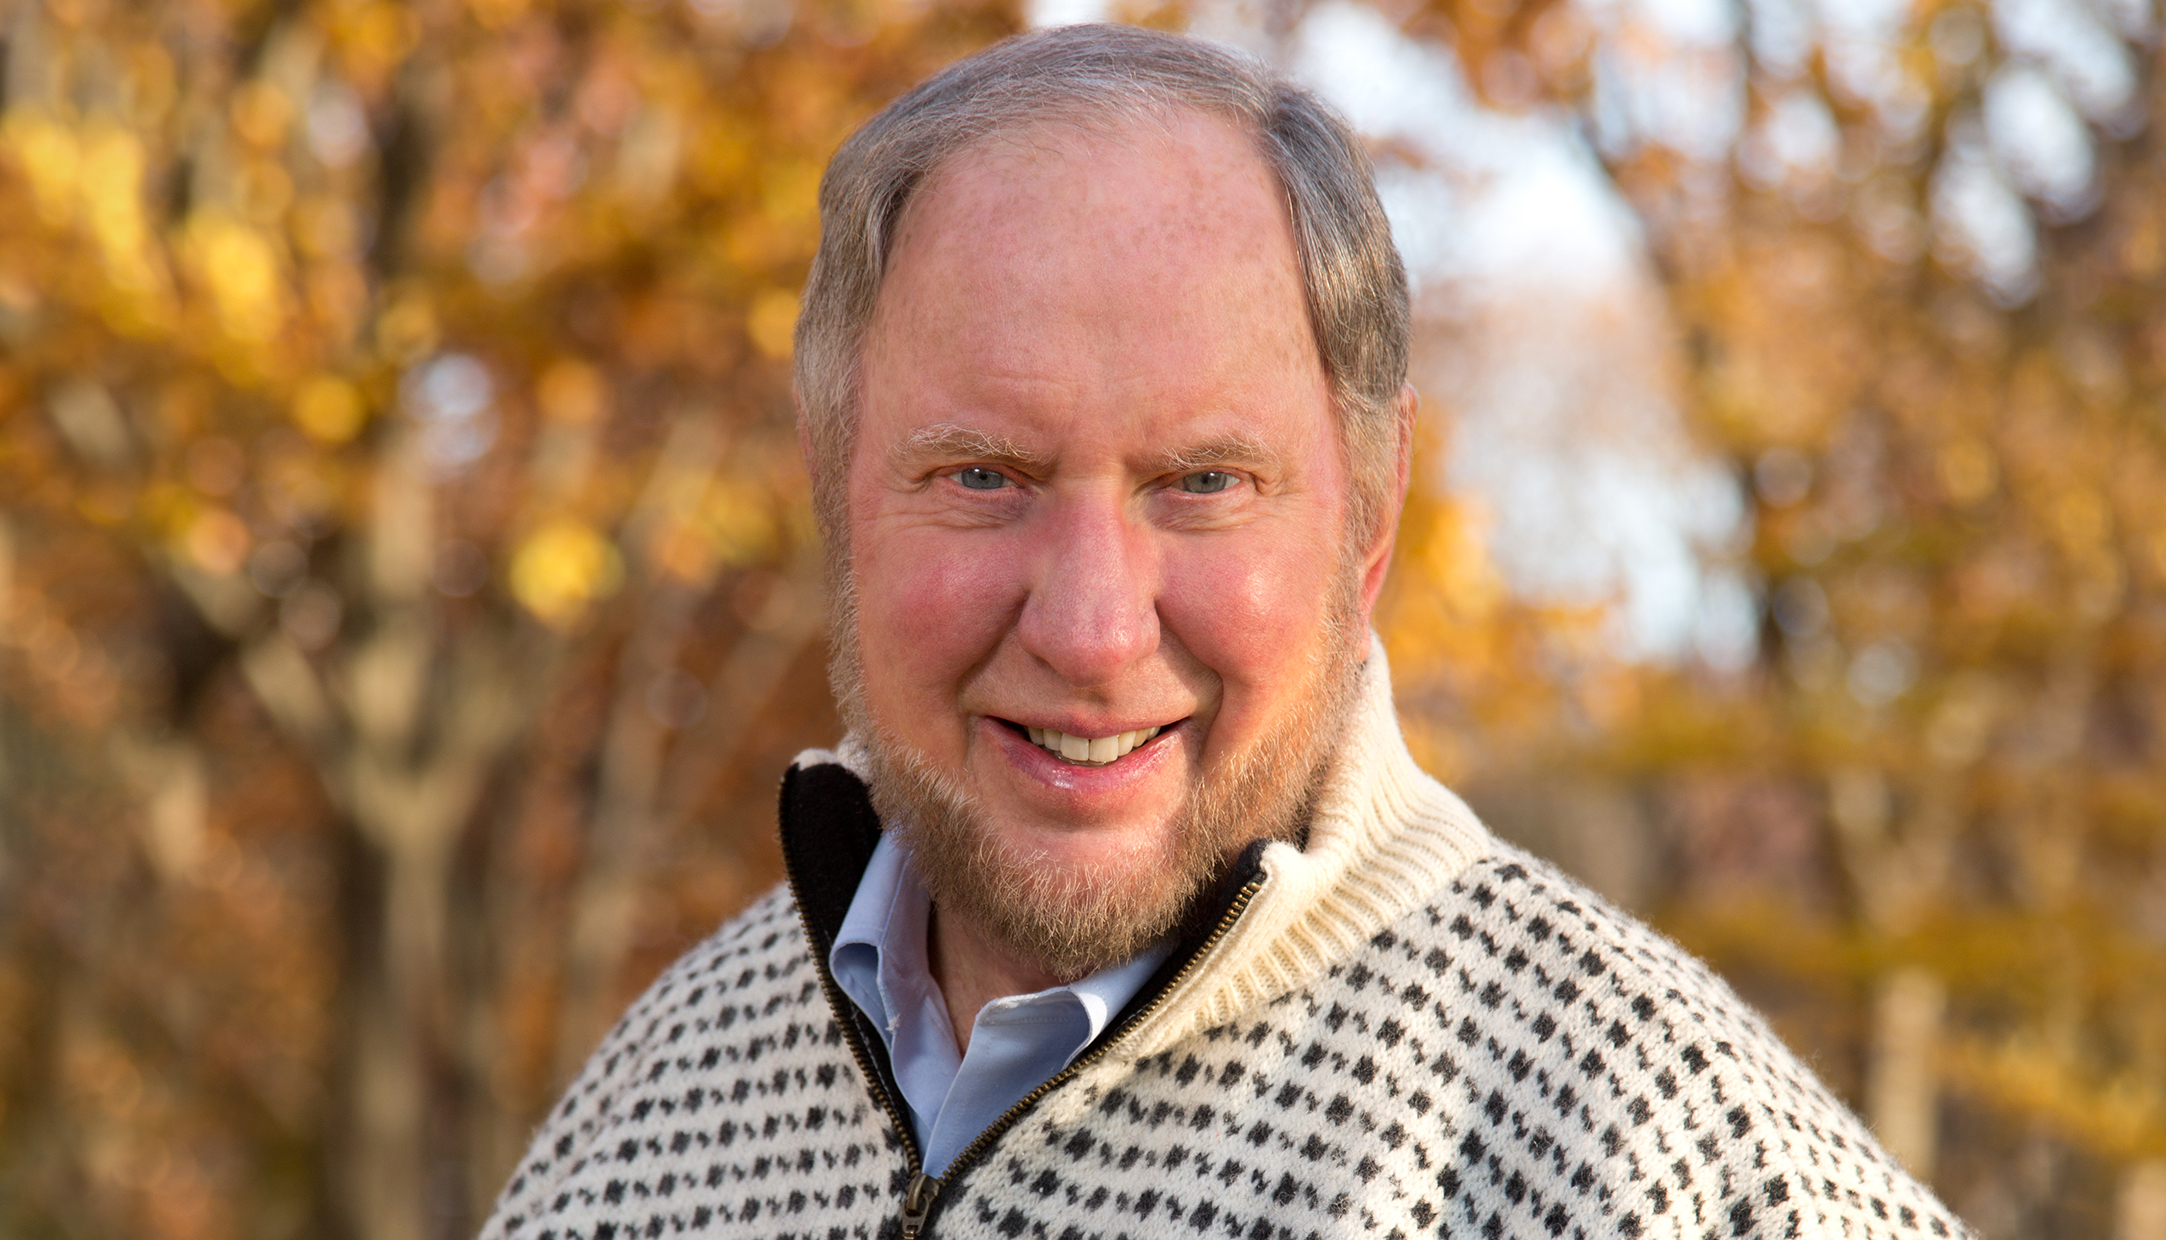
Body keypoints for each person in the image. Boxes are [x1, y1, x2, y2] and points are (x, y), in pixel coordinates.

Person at [482, 24, 1970, 1240]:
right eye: (981, 476)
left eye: (1202, 483)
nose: (1086, 624)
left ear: (1370, 521)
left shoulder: (1650, 1160)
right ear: (835, 494)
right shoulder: (655, 1111)